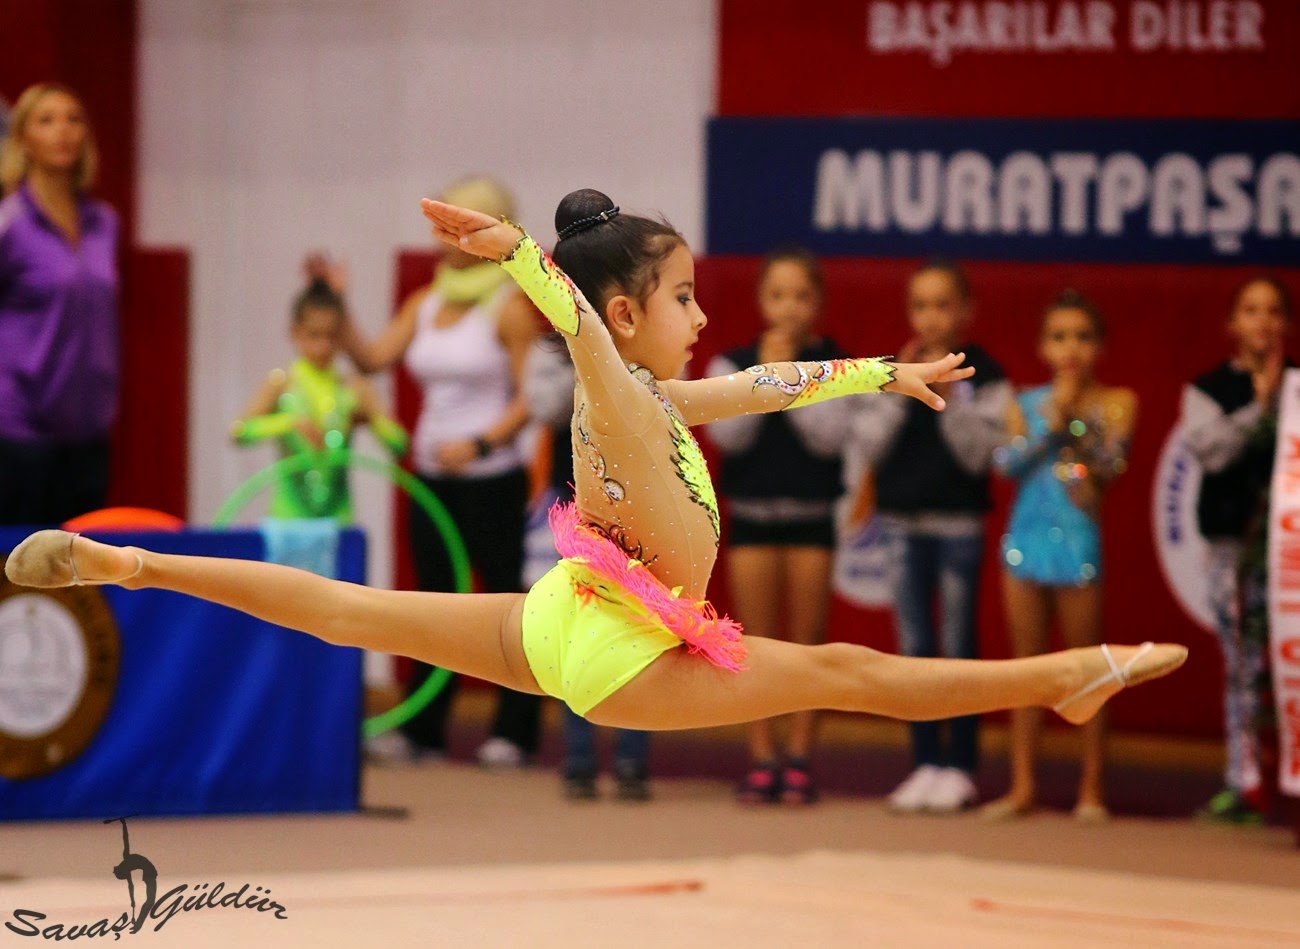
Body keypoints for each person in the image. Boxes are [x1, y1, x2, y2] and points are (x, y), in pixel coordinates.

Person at [5, 191, 1187, 772]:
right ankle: (1063, 679)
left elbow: (768, 383)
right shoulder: (613, 386)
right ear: (626, 313)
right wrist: (516, 251)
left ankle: (134, 562)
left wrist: (886, 370)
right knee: (846, 670)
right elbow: (572, 321)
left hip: (565, 620)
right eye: (685, 297)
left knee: (348, 612)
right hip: (617, 651)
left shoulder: (659, 400)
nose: (704, 315)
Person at [338, 177, 541, 765]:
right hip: (430, 481)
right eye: (445, 228)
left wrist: (480, 444)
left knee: (504, 605)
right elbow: (373, 359)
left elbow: (532, 398)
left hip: (492, 482)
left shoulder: (510, 308)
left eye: (463, 227)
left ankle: (514, 731)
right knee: (432, 605)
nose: (448, 240)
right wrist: (337, 306)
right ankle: (424, 730)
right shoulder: (423, 304)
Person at [847, 259, 1009, 814]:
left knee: (958, 646)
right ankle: (924, 763)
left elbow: (978, 455)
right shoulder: (890, 370)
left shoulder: (985, 373)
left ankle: (960, 765)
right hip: (900, 525)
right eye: (921, 306)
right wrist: (902, 388)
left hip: (958, 526)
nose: (931, 317)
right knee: (913, 647)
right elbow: (869, 446)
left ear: (966, 312)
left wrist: (946, 393)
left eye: (943, 305)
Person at [982, 290, 1137, 824]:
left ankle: (1091, 787)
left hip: (1076, 540)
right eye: (1059, 337)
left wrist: (1076, 424)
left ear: (1100, 346)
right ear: (1043, 347)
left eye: (1083, 337)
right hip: (1024, 540)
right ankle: (1022, 785)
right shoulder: (1023, 402)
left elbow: (1102, 477)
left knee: (1088, 666)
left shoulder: (1116, 404)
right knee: (1027, 669)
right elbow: (1006, 464)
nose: (1071, 348)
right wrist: (1051, 421)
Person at [706, 247, 849, 805]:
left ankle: (801, 754)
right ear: (761, 302)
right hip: (753, 516)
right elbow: (728, 436)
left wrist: (796, 379)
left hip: (811, 518)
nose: (789, 307)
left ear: (819, 303)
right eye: (777, 295)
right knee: (753, 643)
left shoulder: (837, 365)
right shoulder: (733, 362)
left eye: (801, 296)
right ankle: (762, 754)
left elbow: (829, 440)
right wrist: (762, 378)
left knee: (806, 643)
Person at [1180, 277, 1292, 824]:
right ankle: (1244, 781)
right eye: (1250, 310)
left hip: (1290, 554)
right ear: (1232, 323)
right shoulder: (1207, 390)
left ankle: (1289, 779)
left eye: (1273, 311)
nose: (1262, 322)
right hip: (1232, 551)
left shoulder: (1299, 386)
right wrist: (1262, 406)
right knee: (1242, 665)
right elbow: (1212, 451)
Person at [523, 336, 652, 801]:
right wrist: (584, 358)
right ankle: (579, 757)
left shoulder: (649, 345)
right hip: (575, 505)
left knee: (639, 627)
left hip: (640, 504)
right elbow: (545, 408)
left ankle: (632, 757)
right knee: (576, 625)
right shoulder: (555, 353)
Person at [0, 83, 118, 526]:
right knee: (20, 561)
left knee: (81, 561)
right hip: (20, 427)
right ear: (23, 138)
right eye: (46, 120)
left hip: (88, 430)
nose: (63, 131)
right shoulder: (10, 224)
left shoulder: (104, 223)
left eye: (73, 119)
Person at [231, 270, 408, 524]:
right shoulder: (282, 383)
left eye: (331, 336)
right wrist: (288, 422)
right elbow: (238, 432)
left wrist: (373, 418)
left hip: (339, 521)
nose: (323, 345)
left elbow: (400, 445)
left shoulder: (352, 387)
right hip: (288, 521)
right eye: (314, 335)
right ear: (295, 332)